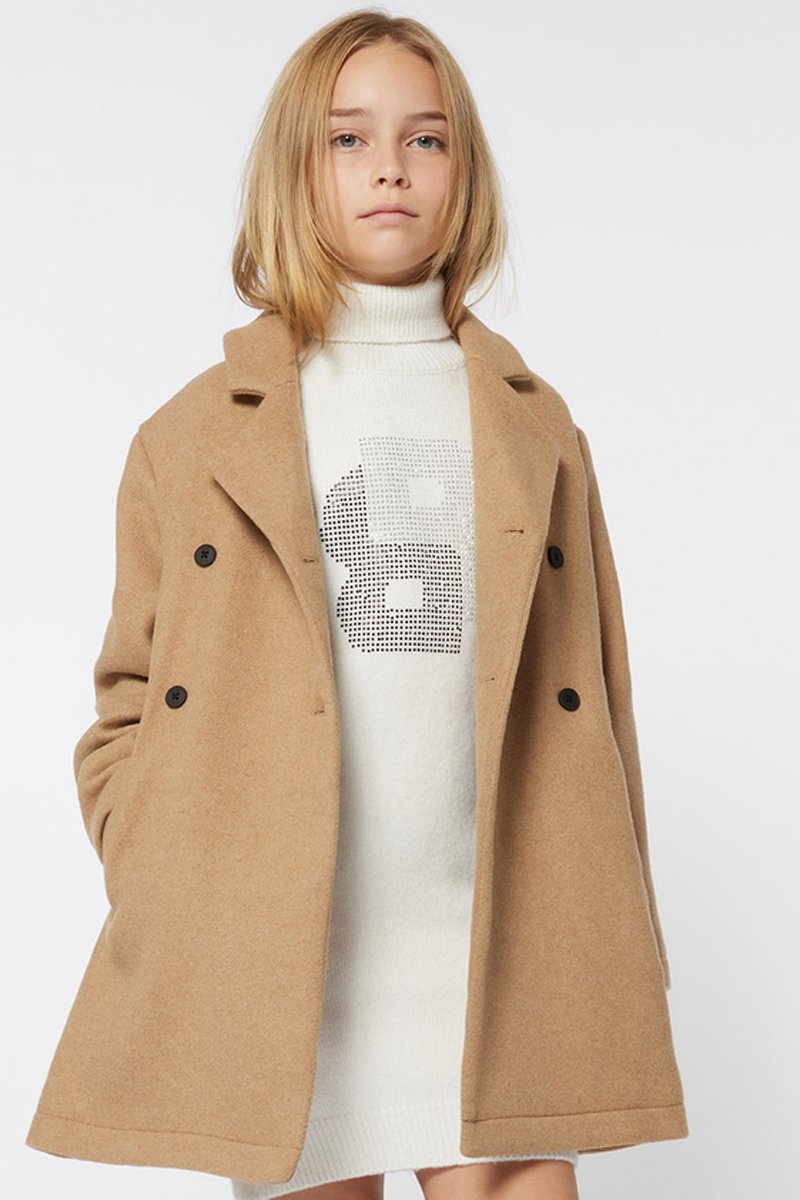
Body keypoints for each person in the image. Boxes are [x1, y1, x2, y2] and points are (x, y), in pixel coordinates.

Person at [26, 9, 688, 1200]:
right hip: (285, 947)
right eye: (347, 138)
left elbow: (601, 693)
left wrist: (613, 918)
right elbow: (128, 696)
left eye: (425, 138)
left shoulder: (537, 425)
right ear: (294, 169)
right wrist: (172, 863)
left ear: (463, 174)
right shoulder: (191, 436)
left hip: (493, 939)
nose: (389, 166)